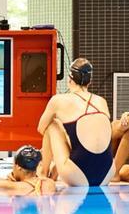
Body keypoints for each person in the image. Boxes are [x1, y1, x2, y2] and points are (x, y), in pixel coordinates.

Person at [37, 58, 114, 186]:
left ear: (69, 79)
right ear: (89, 81)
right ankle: (54, 172)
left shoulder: (58, 100)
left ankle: (44, 174)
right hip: (107, 173)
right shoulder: (102, 101)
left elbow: (41, 128)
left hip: (78, 175)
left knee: (53, 125)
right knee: (77, 137)